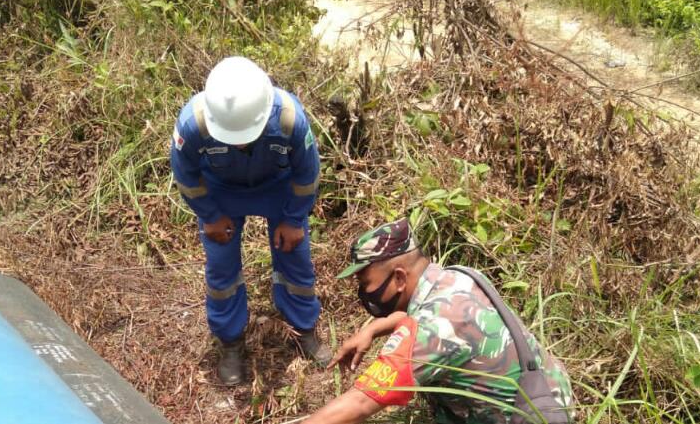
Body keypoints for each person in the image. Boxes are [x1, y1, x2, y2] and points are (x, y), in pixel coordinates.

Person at [305, 219, 574, 424]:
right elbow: (426, 317)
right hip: (547, 394)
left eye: (366, 284)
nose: (364, 293)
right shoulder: (457, 278)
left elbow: (361, 402)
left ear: (399, 278)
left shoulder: (432, 329)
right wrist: (374, 329)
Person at [169, 56, 329, 386]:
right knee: (221, 268)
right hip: (221, 192)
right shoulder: (193, 124)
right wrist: (210, 215)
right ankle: (230, 342)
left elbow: (307, 173)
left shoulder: (289, 118)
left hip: (278, 188)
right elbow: (185, 174)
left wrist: (294, 219)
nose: (239, 141)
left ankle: (303, 328)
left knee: (295, 258)